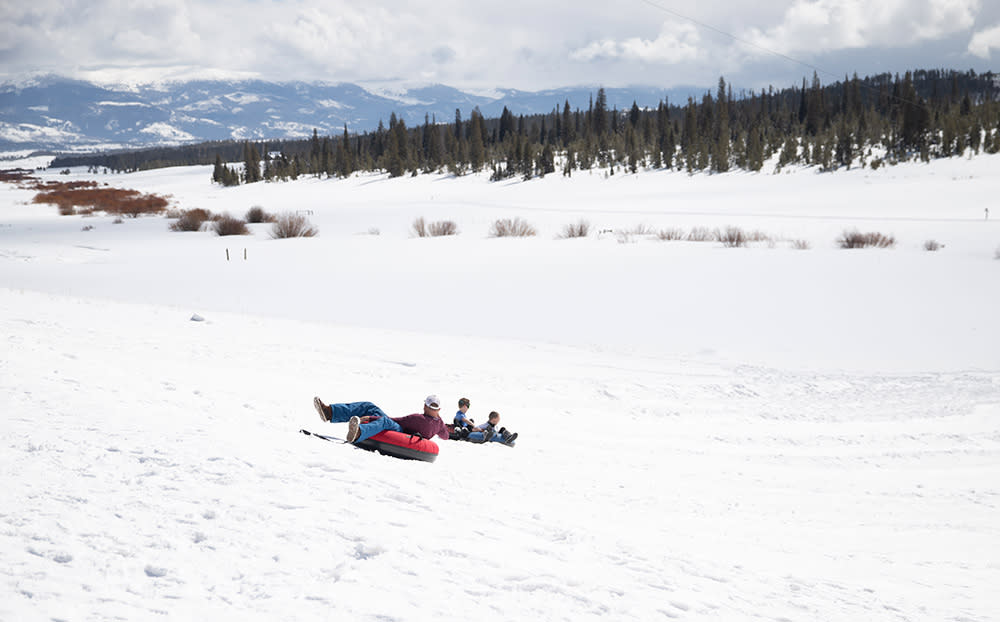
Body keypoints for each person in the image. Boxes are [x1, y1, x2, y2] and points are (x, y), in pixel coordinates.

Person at [313, 394, 450, 443]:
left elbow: (395, 421)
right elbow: (445, 436)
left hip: (401, 431)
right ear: (439, 409)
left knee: (381, 418)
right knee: (371, 406)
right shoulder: (440, 424)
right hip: (407, 431)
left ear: (425, 406)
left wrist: (370, 418)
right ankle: (329, 413)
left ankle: (358, 432)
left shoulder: (418, 418)